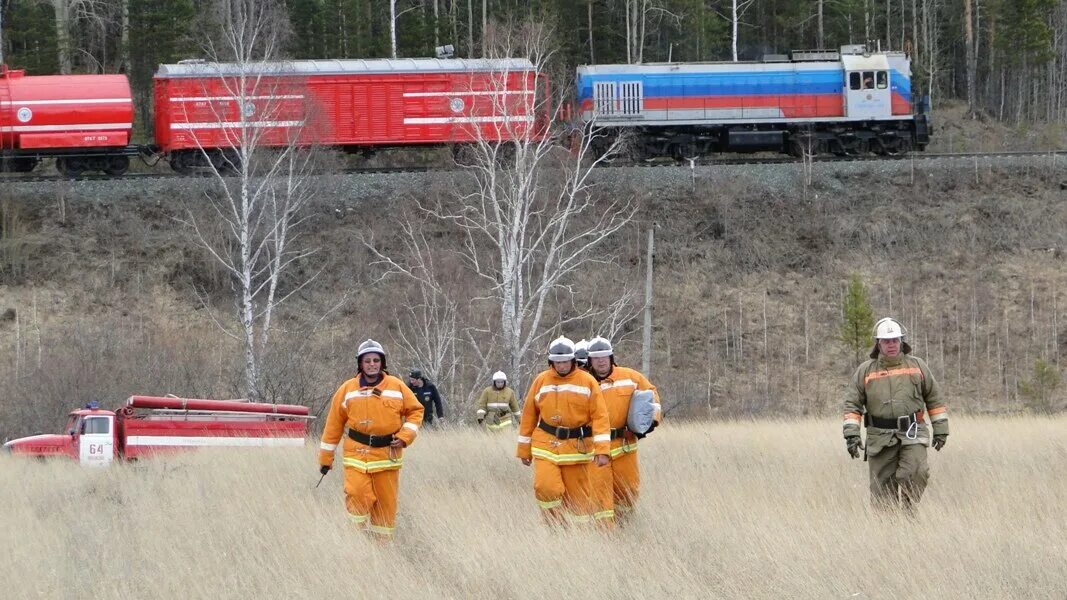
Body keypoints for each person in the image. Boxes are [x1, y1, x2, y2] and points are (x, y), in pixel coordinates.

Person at [318, 339, 425, 539]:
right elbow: (333, 425)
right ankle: (354, 539)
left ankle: (381, 549)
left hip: (388, 457)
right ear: (360, 363)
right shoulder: (347, 389)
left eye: (376, 360)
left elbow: (416, 411)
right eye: (367, 360)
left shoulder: (397, 386)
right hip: (356, 455)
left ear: (382, 362)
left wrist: (405, 437)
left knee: (385, 507)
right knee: (357, 493)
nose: (372, 364)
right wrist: (326, 457)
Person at [843, 318, 949, 512]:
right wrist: (851, 434)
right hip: (879, 437)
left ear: (901, 341)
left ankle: (909, 510)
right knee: (883, 497)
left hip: (913, 432)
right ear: (878, 343)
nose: (891, 345)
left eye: (894, 340)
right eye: (886, 341)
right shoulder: (865, 371)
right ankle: (889, 533)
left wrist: (941, 429)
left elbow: (934, 398)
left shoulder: (918, 365)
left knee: (916, 472)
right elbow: (852, 405)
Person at [516, 336, 611, 525]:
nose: (561, 366)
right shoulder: (541, 381)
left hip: (577, 448)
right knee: (545, 487)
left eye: (565, 361)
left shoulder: (587, 381)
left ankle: (577, 537)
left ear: (573, 360)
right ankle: (554, 525)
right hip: (546, 444)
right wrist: (524, 450)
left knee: (579, 502)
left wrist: (602, 450)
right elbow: (529, 416)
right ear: (551, 362)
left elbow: (600, 417)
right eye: (557, 362)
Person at [584, 336, 661, 526]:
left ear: (611, 357)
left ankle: (623, 527)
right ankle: (605, 535)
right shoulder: (583, 382)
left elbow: (652, 395)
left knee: (629, 491)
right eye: (596, 357)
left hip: (625, 445)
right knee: (601, 493)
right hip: (595, 448)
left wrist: (651, 422)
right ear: (589, 361)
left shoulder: (630, 377)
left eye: (605, 356)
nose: (601, 361)